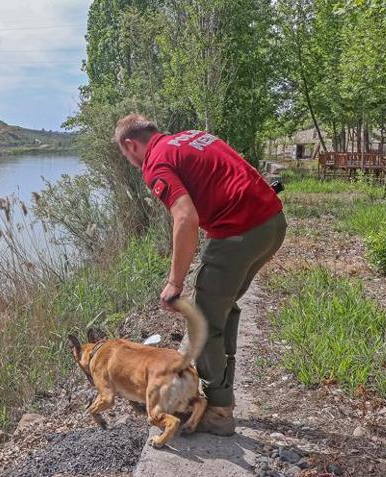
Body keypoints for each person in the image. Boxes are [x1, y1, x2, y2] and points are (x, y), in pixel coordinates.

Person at [113, 113, 286, 436]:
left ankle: (218, 411)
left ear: (131, 144)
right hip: (272, 224)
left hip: (239, 230)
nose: (131, 161)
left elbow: (185, 218)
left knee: (204, 321)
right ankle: (221, 389)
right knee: (221, 306)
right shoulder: (191, 137)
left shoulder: (155, 161)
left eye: (126, 156)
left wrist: (174, 283)